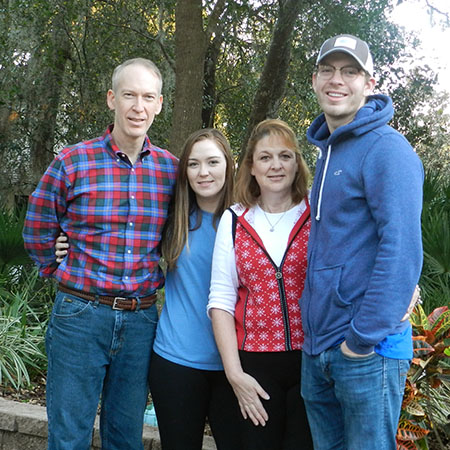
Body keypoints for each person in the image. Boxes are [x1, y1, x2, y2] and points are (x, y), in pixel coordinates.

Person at [23, 58, 178, 450]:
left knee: (125, 438)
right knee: (69, 436)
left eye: (147, 97)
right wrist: (57, 266)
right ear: (112, 99)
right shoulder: (73, 162)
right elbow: (37, 229)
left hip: (141, 320)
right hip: (80, 316)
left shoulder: (171, 172)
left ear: (159, 103)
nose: (137, 107)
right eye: (129, 95)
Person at [299, 34, 424, 450]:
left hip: (368, 351)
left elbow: (402, 251)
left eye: (350, 71)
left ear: (369, 83)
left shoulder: (387, 150)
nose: (338, 80)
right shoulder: (328, 154)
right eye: (329, 70)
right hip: (321, 347)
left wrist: (360, 340)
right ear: (315, 79)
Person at [208, 119, 314, 450]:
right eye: (265, 157)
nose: (276, 165)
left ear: (297, 163)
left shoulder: (316, 213)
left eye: (285, 156)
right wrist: (235, 374)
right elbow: (221, 300)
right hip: (255, 365)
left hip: (310, 362)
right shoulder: (235, 220)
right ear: (251, 166)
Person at [148, 128, 243, 450]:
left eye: (213, 162)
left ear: (229, 165)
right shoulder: (171, 217)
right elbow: (121, 235)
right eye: (193, 164)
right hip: (176, 363)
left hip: (237, 366)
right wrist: (65, 244)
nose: (203, 172)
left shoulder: (250, 220)